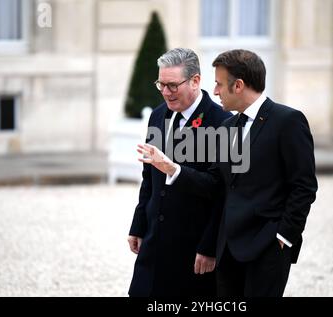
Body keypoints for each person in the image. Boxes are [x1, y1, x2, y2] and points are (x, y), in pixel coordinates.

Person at [138, 49, 318, 297]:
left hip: (267, 248)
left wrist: (284, 237)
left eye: (219, 84)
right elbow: (215, 184)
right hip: (228, 250)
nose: (215, 91)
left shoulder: (287, 121)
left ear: (239, 86)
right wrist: (172, 169)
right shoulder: (228, 126)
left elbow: (304, 186)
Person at [128, 48, 232, 297]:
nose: (165, 92)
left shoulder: (222, 122)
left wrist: (209, 247)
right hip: (154, 242)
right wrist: (139, 224)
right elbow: (148, 178)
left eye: (172, 85)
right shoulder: (157, 115)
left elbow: (222, 191)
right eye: (161, 84)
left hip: (194, 248)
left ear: (195, 81)